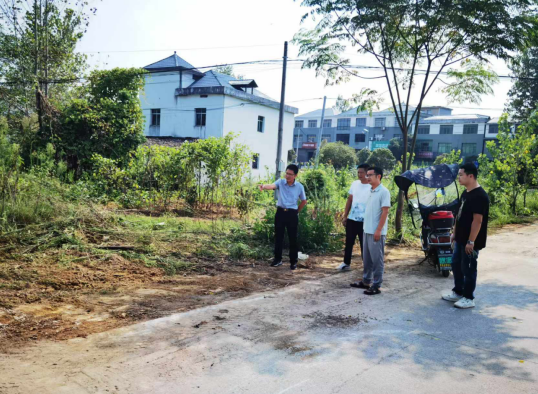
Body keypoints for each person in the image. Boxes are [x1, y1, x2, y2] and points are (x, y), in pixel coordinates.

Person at [442, 163, 489, 309]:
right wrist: (454, 234)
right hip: (460, 238)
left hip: (471, 241)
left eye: (461, 175)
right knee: (456, 265)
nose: (459, 178)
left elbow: (478, 221)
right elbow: (459, 216)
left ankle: (469, 298)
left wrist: (471, 241)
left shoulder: (480, 196)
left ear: (471, 176)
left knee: (468, 268)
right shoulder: (465, 193)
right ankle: (458, 291)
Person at [258, 164, 307, 271]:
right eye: (287, 173)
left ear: (295, 175)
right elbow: (272, 186)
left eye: (290, 174)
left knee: (292, 238)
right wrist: (264, 186)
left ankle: (293, 262)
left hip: (292, 214)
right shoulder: (280, 182)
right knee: (278, 236)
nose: (287, 176)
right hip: (280, 213)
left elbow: (304, 201)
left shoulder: (299, 187)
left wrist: (296, 211)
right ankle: (277, 259)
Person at [350, 167, 391, 295]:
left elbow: (385, 212)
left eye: (370, 175)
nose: (367, 177)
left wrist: (378, 230)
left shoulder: (384, 192)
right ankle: (366, 281)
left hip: (376, 232)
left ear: (378, 176)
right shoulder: (371, 190)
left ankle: (377, 285)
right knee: (367, 259)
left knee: (377, 260)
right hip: (366, 230)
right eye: (366, 175)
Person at [338, 163, 371, 271]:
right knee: (349, 241)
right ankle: (346, 263)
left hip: (365, 220)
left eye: (361, 172)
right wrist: (345, 216)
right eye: (358, 172)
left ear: (367, 173)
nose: (359, 174)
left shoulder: (372, 186)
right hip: (352, 218)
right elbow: (350, 199)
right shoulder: (355, 184)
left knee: (364, 243)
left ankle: (366, 264)